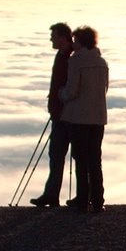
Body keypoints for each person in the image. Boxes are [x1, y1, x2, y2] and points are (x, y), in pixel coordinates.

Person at [59, 26, 109, 213]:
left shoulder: (76, 62)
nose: (73, 44)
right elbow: (104, 89)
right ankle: (97, 200)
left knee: (81, 159)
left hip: (80, 117)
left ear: (81, 42)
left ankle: (82, 199)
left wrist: (60, 94)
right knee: (95, 159)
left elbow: (72, 91)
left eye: (76, 40)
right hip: (98, 118)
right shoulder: (102, 62)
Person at [30, 22, 73, 207]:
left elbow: (69, 86)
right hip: (60, 113)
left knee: (61, 154)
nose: (51, 39)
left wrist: (58, 100)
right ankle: (51, 194)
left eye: (54, 36)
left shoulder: (70, 56)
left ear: (63, 37)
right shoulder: (63, 55)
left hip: (67, 114)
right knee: (56, 154)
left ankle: (54, 195)